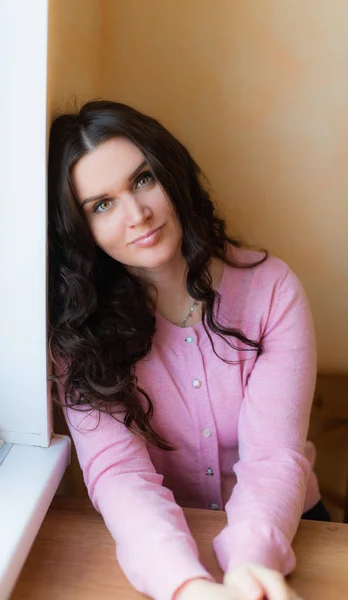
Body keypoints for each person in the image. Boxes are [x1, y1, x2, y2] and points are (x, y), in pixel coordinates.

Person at [48, 100, 329, 600]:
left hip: (289, 530)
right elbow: (119, 475)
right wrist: (188, 586)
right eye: (102, 205)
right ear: (80, 230)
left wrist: (250, 568)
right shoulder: (78, 335)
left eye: (142, 180)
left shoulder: (271, 290)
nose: (138, 215)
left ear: (171, 173)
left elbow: (273, 458)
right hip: (158, 544)